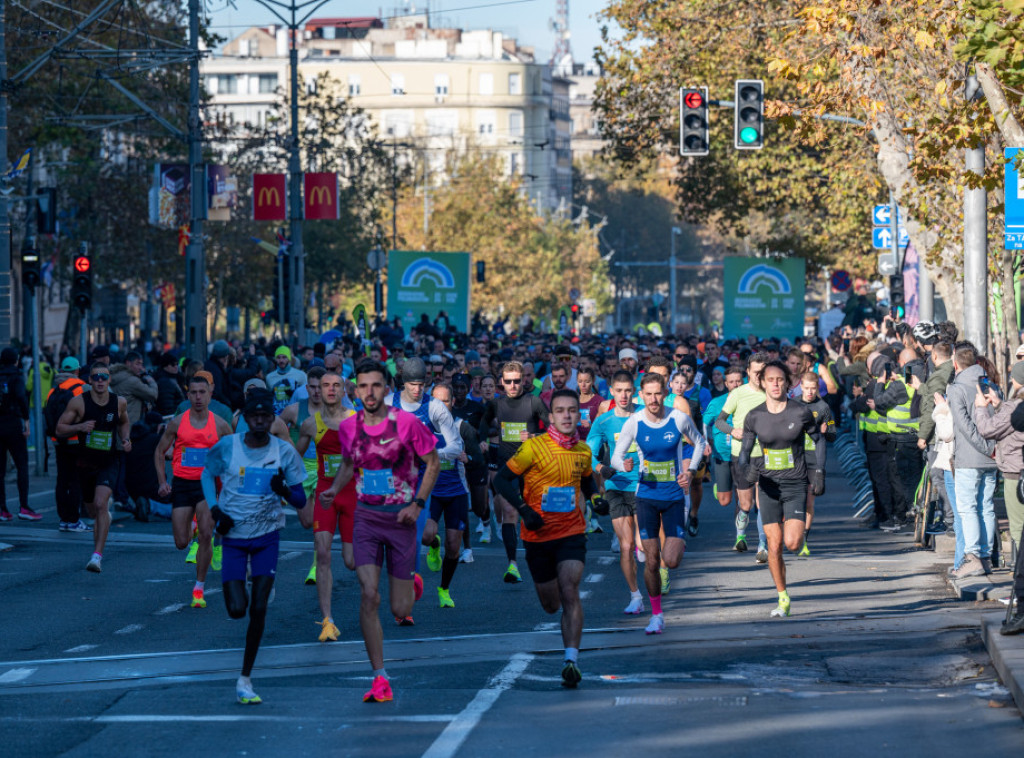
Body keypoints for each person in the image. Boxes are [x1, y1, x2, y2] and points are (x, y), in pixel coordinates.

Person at [318, 359, 440, 704]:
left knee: (400, 610)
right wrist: (333, 489)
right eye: (362, 386)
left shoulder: (407, 424)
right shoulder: (349, 428)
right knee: (369, 595)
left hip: (401, 520)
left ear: (387, 389)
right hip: (367, 518)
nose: (368, 392)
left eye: (375, 385)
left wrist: (417, 503)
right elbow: (346, 463)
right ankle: (379, 677)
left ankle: (411, 584)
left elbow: (432, 462)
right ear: (355, 390)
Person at [200, 389, 308, 704]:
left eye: (265, 416)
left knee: (258, 608)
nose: (260, 421)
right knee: (237, 610)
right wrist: (214, 509)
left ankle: (245, 678)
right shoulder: (228, 447)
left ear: (272, 418)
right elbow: (207, 476)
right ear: (245, 419)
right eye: (254, 416)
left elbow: (300, 500)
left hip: (267, 537)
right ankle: (246, 581)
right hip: (233, 538)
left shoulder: (284, 452)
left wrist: (284, 489)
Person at [494, 388, 606, 688]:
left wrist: (596, 499)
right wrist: (522, 510)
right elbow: (501, 479)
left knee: (570, 589)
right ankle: (564, 638)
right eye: (561, 411)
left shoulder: (583, 451)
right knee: (550, 604)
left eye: (572, 410)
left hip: (571, 532)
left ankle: (571, 660)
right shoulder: (534, 448)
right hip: (537, 535)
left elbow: (586, 484)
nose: (568, 415)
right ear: (551, 416)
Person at [611, 372, 705, 635]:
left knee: (670, 560)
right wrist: (624, 464)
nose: (653, 399)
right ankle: (656, 615)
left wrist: (691, 470)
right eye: (648, 394)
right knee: (651, 561)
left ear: (666, 394)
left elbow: (699, 442)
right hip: (646, 498)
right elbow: (617, 456)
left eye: (658, 393)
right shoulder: (634, 422)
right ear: (642, 395)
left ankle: (677, 543)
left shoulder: (678, 418)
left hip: (675, 497)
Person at [737, 361, 825, 619]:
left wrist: (818, 471)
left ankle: (793, 525)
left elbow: (817, 440)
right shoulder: (754, 416)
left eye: (780, 380)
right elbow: (744, 453)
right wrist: (747, 470)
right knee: (773, 546)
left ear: (788, 382)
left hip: (795, 483)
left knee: (793, 542)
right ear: (762, 383)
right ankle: (782, 596)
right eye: (770, 380)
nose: (775, 384)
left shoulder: (800, 412)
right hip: (767, 485)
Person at [153, 373, 233, 608]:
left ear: (210, 394)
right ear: (188, 395)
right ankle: (194, 528)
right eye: (194, 393)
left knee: (207, 534)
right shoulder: (178, 423)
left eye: (202, 392)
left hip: (207, 486)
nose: (198, 397)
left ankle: (199, 587)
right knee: (181, 542)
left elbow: (234, 455)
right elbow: (159, 452)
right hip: (182, 484)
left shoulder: (221, 425)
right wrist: (162, 481)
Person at [294, 368, 357, 641]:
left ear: (344, 391)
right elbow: (294, 457)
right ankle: (327, 621)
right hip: (323, 494)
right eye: (324, 385)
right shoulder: (310, 423)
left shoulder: (356, 420)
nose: (329, 390)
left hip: (351, 494)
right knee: (322, 553)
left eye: (335, 385)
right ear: (317, 390)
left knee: (352, 562)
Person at [56, 363, 132, 572]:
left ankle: (96, 556)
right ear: (89, 380)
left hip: (109, 462)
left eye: (104, 377)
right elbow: (59, 428)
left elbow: (124, 422)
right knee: (93, 511)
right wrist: (79, 426)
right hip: (85, 463)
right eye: (96, 377)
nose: (100, 380)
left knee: (100, 504)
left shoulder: (119, 403)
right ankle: (103, 520)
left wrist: (125, 438)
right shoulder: (79, 402)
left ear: (109, 381)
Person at [479, 360, 549, 583]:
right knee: (509, 512)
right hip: (506, 467)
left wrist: (535, 437)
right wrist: (482, 440)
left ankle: (543, 558)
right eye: (508, 381)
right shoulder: (496, 405)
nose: (512, 385)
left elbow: (553, 430)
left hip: (531, 468)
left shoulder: (534, 402)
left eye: (516, 381)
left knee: (536, 514)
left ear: (524, 380)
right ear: (501, 382)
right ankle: (513, 565)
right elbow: (482, 425)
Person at [587, 370, 643, 614]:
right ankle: (635, 596)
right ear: (611, 391)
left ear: (634, 391)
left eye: (628, 390)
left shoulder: (645, 414)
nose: (623, 395)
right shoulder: (604, 421)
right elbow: (589, 452)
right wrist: (601, 468)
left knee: (644, 544)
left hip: (644, 485)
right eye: (618, 390)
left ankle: (656, 569)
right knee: (626, 545)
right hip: (616, 487)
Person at [947, 343, 998, 578]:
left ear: (956, 363)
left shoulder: (957, 388)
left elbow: (964, 425)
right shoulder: (990, 383)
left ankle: (973, 557)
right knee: (986, 506)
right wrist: (991, 447)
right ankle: (986, 556)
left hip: (970, 456)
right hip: (992, 456)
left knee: (967, 508)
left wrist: (984, 446)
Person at [714, 352, 769, 560]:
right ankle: (740, 535)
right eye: (756, 372)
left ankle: (762, 546)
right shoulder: (737, 393)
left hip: (766, 454)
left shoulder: (773, 392)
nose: (759, 376)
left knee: (762, 501)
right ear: (748, 372)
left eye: (763, 372)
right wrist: (732, 431)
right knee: (745, 504)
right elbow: (720, 421)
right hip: (742, 455)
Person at [423, 383, 473, 606]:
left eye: (445, 401)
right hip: (431, 492)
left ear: (452, 403)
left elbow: (478, 455)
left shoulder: (460, 427)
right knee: (426, 535)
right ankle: (434, 545)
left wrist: (468, 458)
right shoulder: (421, 427)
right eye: (436, 401)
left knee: (454, 547)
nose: (440, 405)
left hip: (456, 493)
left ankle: (444, 589)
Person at [46, 357, 89, 531]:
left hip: (58, 441)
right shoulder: (81, 388)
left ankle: (64, 519)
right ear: (77, 370)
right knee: (76, 480)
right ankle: (74, 520)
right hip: (76, 440)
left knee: (62, 479)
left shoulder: (53, 391)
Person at [796, 371, 836, 554]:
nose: (810, 392)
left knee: (809, 500)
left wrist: (826, 431)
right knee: (793, 499)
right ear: (801, 387)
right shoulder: (793, 404)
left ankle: (804, 539)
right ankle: (790, 533)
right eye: (807, 388)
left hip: (814, 459)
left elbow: (833, 435)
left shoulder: (823, 407)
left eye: (813, 389)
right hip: (794, 458)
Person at [705, 366, 745, 546]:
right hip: (721, 455)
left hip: (743, 455)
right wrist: (706, 442)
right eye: (731, 382)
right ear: (725, 383)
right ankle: (719, 488)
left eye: (738, 381)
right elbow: (704, 424)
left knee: (742, 498)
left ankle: (740, 536)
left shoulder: (749, 401)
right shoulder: (716, 402)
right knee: (724, 501)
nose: (735, 384)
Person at [0, 348, 36, 522]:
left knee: (0, 470)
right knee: (22, 464)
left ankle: (3, 509)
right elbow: (21, 397)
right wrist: (26, 420)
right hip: (13, 423)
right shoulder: (17, 375)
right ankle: (24, 506)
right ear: (16, 360)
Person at [109, 351, 158, 424]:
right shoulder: (132, 381)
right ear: (128, 363)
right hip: (130, 424)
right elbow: (153, 394)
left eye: (141, 364)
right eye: (137, 364)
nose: (141, 368)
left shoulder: (116, 375)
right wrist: (151, 381)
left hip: (118, 423)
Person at [266, 346, 307, 415]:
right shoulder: (269, 377)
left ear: (289, 359)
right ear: (275, 359)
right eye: (278, 357)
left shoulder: (301, 375)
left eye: (284, 357)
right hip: (277, 416)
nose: (281, 360)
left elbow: (306, 396)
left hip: (296, 414)